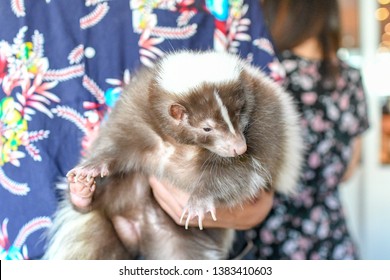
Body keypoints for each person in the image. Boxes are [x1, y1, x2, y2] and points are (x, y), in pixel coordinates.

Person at [0, 0, 281, 260]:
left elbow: (263, 174)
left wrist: (229, 199)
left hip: (188, 231)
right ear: (177, 114)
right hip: (47, 239)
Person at [151, 0, 370, 259]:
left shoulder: (263, 76)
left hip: (269, 235)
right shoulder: (351, 78)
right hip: (332, 237)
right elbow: (349, 168)